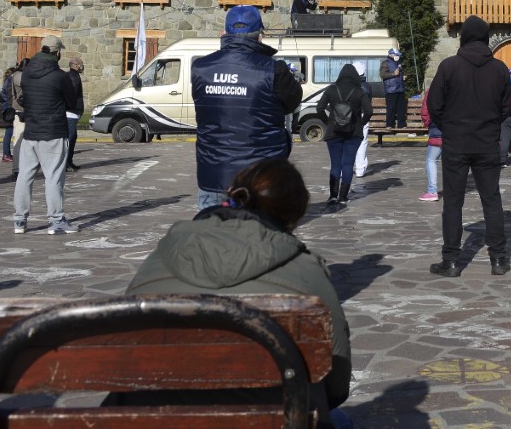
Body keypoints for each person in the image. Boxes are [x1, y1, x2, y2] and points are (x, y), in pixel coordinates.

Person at [125, 158, 352, 428]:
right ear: (293, 215)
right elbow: (335, 384)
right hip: (269, 419)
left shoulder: (159, 258)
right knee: (338, 420)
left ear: (234, 195)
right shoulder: (308, 272)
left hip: (157, 419)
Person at [191, 5, 302, 211]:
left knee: (212, 229)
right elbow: (293, 102)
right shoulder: (274, 70)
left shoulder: (200, 68)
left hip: (214, 176)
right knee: (259, 230)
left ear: (224, 34)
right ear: (260, 36)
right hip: (260, 179)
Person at [425, 15, 511, 277]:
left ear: (463, 38)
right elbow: (506, 107)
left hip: (456, 143)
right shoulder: (499, 69)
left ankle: (451, 261)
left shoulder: (449, 67)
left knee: (453, 202)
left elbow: (434, 105)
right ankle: (498, 259)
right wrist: (490, 125)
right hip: (487, 143)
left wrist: (450, 126)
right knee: (491, 200)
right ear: (486, 38)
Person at [13, 36, 79, 234]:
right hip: (53, 131)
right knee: (53, 177)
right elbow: (72, 102)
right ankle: (56, 220)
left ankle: (19, 220)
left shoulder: (27, 73)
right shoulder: (60, 76)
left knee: (24, 176)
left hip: (31, 131)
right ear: (57, 52)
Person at [320, 63, 372, 208]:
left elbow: (319, 108)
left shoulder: (331, 89)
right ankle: (343, 197)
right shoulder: (359, 91)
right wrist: (360, 123)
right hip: (353, 133)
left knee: (335, 164)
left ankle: (332, 196)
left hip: (333, 132)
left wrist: (328, 122)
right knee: (348, 164)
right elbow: (369, 111)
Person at [420, 96, 442, 202]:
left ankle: (432, 191)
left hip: (437, 129)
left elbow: (425, 110)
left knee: (431, 160)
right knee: (453, 163)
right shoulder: (458, 89)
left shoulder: (433, 91)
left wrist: (429, 123)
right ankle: (454, 190)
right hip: (454, 131)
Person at [379, 47, 407, 129]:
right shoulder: (385, 63)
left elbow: (399, 74)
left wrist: (402, 77)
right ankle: (389, 125)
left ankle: (402, 125)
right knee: (391, 108)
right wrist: (393, 74)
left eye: (398, 55)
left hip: (400, 89)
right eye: (396, 55)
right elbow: (382, 75)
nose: (398, 56)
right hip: (391, 90)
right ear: (391, 55)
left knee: (401, 109)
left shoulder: (398, 63)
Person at [65, 55, 84, 172]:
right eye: (81, 64)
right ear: (76, 66)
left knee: (72, 137)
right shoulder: (73, 77)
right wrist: (72, 107)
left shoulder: (71, 75)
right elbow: (71, 94)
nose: (82, 67)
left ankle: (69, 161)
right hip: (71, 112)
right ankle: (66, 162)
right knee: (70, 138)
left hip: (71, 111)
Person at [0, 66, 16, 164]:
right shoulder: (10, 82)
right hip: (8, 110)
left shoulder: (7, 81)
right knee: (9, 132)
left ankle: (7, 153)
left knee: (9, 132)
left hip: (7, 109)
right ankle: (6, 154)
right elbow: (9, 97)